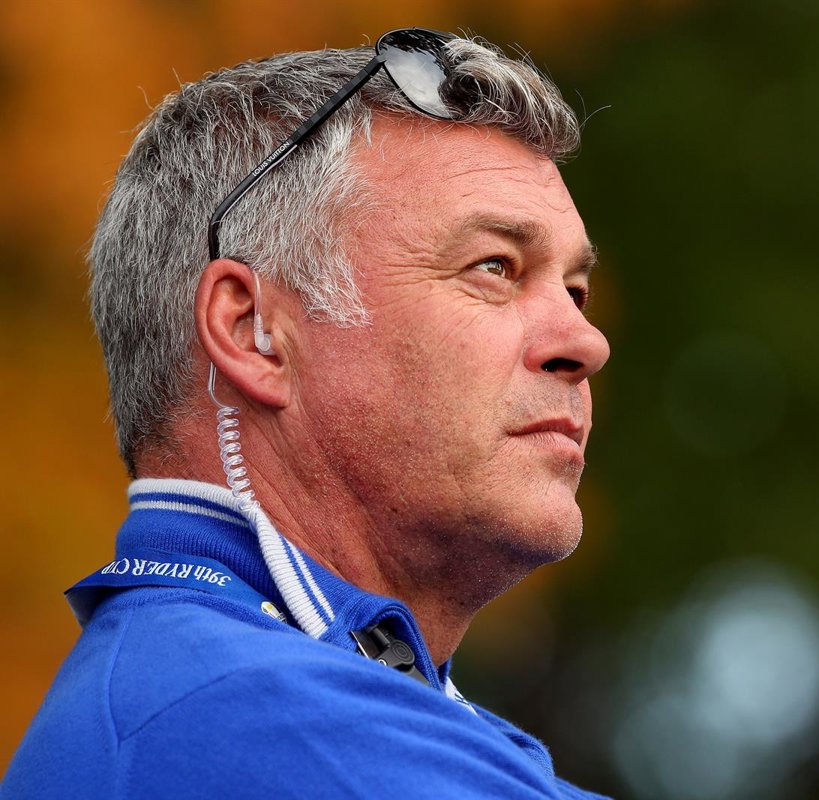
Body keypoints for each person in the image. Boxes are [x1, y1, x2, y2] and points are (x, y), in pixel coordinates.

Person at [2, 28, 610, 799]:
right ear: (251, 334)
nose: (585, 341)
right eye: (494, 267)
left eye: (575, 291)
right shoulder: (250, 717)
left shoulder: (212, 686)